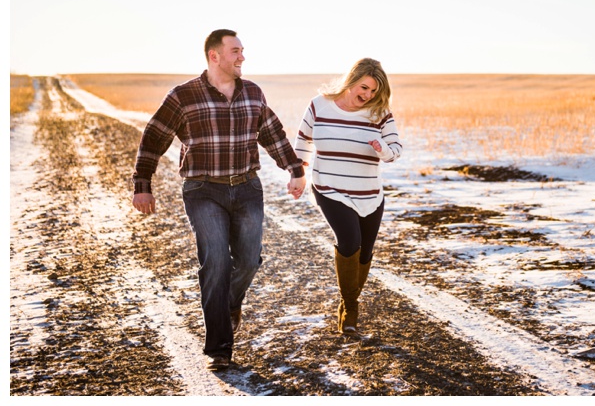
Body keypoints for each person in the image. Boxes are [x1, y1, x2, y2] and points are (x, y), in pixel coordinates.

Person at [131, 29, 306, 371]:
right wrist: (142, 184)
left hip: (246, 188)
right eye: (236, 51)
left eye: (242, 51)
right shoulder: (184, 96)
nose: (242, 57)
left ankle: (229, 303)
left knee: (249, 260)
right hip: (202, 190)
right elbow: (153, 138)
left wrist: (294, 168)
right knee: (215, 262)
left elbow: (271, 132)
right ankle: (220, 349)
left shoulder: (252, 92)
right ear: (215, 56)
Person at [294, 58, 402, 336]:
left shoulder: (379, 112)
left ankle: (349, 301)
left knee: (365, 251)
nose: (367, 95)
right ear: (351, 81)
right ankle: (350, 307)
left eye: (373, 92)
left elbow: (396, 148)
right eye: (364, 87)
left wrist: (382, 150)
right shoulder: (319, 104)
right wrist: (298, 173)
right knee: (350, 241)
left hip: (369, 192)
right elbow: (303, 139)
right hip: (329, 187)